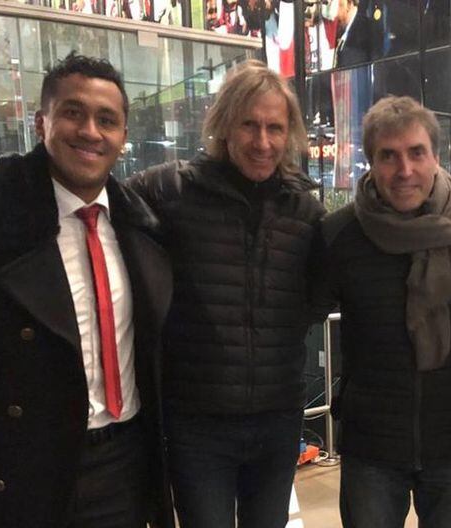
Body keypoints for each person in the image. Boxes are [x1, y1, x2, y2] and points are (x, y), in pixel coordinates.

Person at [0, 53, 174, 528]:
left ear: (123, 136)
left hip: (123, 466)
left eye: (107, 120)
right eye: (73, 113)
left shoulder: (143, 230)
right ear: (42, 123)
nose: (90, 132)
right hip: (24, 472)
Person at [126, 59, 324, 528]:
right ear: (224, 125)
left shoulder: (305, 210)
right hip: (199, 424)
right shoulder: (171, 191)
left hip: (278, 418)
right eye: (249, 125)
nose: (262, 142)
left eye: (275, 128)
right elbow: (95, 205)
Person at [314, 95, 451, 528]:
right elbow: (297, 308)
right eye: (388, 155)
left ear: (436, 156)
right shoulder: (340, 235)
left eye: (416, 152)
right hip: (372, 446)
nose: (404, 170)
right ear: (371, 163)